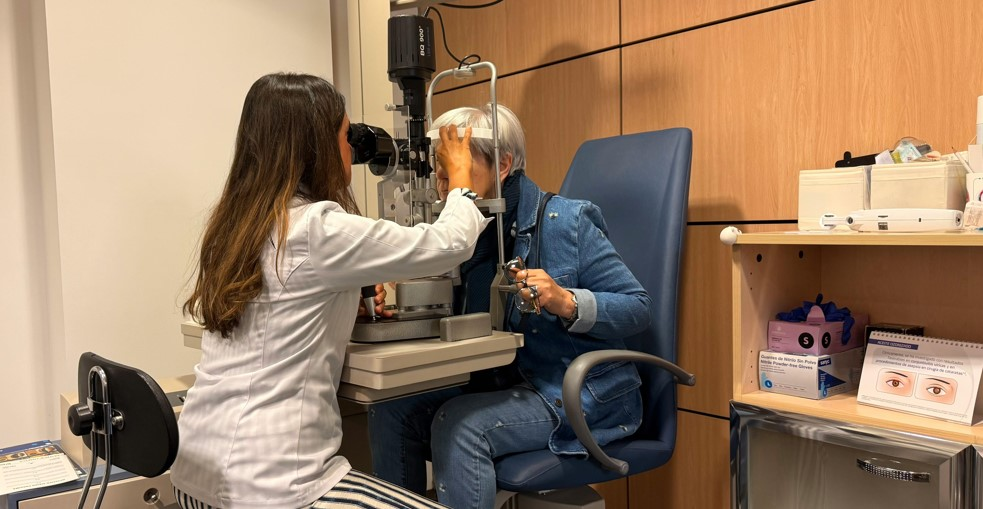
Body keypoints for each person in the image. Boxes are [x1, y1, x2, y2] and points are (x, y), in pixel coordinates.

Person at [171, 72, 489, 509]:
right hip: (272, 489)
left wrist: (341, 300)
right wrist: (461, 179)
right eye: (345, 135)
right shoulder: (316, 227)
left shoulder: (235, 225)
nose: (351, 149)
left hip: (194, 479)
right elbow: (448, 244)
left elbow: (276, 305)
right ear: (317, 146)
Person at [367, 105, 651, 509]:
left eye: (458, 172)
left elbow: (637, 307)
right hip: (501, 386)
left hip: (573, 392)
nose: (444, 190)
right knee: (391, 411)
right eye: (441, 175)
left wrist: (567, 301)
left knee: (460, 426)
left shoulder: (566, 222)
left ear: (501, 165)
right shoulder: (471, 233)